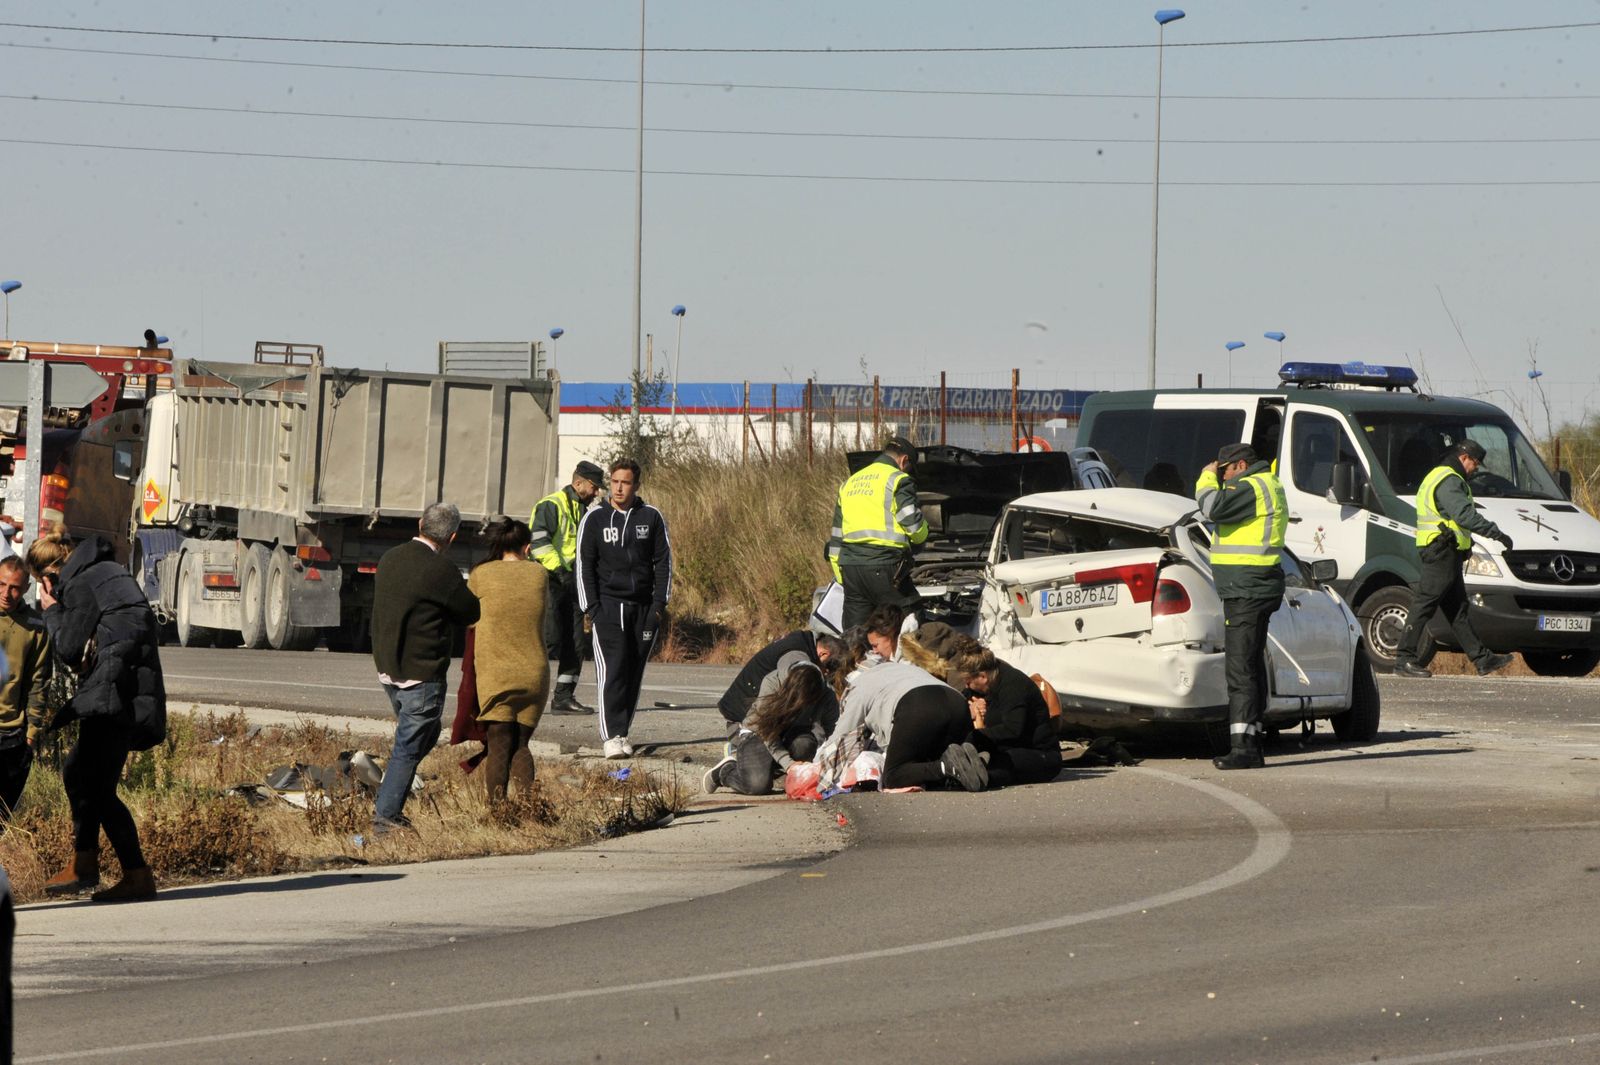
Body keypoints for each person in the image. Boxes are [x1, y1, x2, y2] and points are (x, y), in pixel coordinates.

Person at [29, 532, 166, 901]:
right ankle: (86, 863)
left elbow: (69, 649)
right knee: (81, 774)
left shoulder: (81, 583)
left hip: (113, 693)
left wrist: (51, 610)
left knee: (95, 786)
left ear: (47, 576)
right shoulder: (107, 570)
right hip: (128, 691)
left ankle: (132, 874)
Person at [371, 502, 481, 830]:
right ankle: (386, 818)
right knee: (408, 747)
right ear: (453, 537)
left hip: (389, 669)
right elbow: (470, 612)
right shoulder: (441, 571)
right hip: (422, 674)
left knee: (424, 734)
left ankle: (394, 787)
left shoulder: (389, 558)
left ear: (420, 523)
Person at [1195, 442, 1287, 771]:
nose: (1223, 476)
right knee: (1251, 664)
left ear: (1241, 465)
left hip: (1246, 590)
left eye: (1225, 470)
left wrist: (1206, 479)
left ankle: (1244, 747)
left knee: (1240, 669)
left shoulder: (1251, 486)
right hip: (1254, 586)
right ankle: (1254, 739)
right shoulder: (1266, 484)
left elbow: (1212, 507)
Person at [1393, 440, 1516, 679]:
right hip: (1441, 550)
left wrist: (1466, 545)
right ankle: (1404, 659)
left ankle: (1482, 659)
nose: (1476, 468)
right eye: (1475, 463)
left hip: (1446, 550)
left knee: (1457, 609)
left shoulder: (1443, 476)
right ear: (1464, 458)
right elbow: (1463, 515)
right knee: (1425, 604)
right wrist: (1496, 533)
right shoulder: (1449, 479)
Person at [576, 458, 672, 759]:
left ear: (636, 485)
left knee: (633, 672)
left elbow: (663, 563)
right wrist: (591, 607)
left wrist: (658, 606)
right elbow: (584, 565)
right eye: (615, 481)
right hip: (608, 607)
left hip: (643, 609)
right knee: (613, 671)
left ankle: (622, 732)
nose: (619, 488)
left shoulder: (651, 517)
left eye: (625, 482)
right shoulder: (594, 518)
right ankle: (610, 736)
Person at [818, 638, 987, 792]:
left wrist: (815, 767)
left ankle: (946, 767)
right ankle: (974, 762)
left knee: (894, 775)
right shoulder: (896, 667)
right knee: (932, 758)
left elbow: (840, 738)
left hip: (917, 705)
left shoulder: (857, 688)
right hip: (956, 702)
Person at [467, 518, 547, 803]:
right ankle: (529, 806)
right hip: (534, 672)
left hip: (495, 672)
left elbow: (470, 617)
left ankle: (497, 809)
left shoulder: (481, 574)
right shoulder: (539, 575)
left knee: (500, 742)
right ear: (527, 548)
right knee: (522, 743)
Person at [827, 436, 929, 631]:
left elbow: (836, 536)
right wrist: (923, 536)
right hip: (884, 566)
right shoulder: (898, 479)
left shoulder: (849, 483)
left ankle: (852, 661)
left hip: (851, 569)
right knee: (912, 621)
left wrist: (842, 575)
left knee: (855, 633)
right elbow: (913, 525)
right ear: (904, 460)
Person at [530, 461, 606, 715]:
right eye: (594, 488)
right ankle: (526, 696)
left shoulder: (584, 509)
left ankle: (563, 697)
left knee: (575, 643)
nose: (596, 493)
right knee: (549, 642)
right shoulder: (552, 505)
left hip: (573, 583)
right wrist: (562, 572)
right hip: (551, 582)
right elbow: (539, 544)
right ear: (578, 483)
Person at [704, 652, 838, 795]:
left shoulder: (826, 693)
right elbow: (766, 732)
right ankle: (726, 771)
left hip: (794, 734)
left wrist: (827, 761)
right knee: (757, 785)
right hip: (760, 733)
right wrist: (789, 764)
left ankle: (775, 772)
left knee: (805, 744)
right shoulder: (773, 683)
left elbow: (833, 730)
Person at [949, 639, 1063, 788]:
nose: (967, 686)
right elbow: (965, 697)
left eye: (968, 681)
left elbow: (1013, 729)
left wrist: (977, 735)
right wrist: (970, 707)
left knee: (999, 763)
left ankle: (970, 778)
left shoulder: (1013, 686)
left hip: (1040, 754)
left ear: (982, 677)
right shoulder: (990, 679)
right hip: (1009, 748)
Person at [716, 629, 844, 733]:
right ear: (823, 654)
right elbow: (794, 697)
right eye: (829, 668)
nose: (827, 673)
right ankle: (740, 745)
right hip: (743, 718)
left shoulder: (804, 641)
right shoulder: (796, 658)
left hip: (744, 707)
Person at [0, 557, 44, 825]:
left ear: (26, 588)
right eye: (1, 584)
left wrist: (31, 735)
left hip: (11, 735)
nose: (6, 593)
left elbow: (39, 682)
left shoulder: (35, 626)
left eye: (14, 587)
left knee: (2, 818)